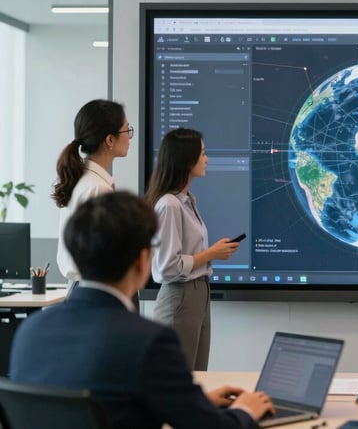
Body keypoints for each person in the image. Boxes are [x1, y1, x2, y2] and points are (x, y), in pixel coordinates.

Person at [9, 192, 274, 429]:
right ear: (142, 260)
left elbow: (107, 405)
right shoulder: (149, 341)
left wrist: (194, 402)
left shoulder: (30, 333)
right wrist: (245, 410)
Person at [145, 128, 240, 371]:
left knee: (197, 376)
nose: (207, 159)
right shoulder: (170, 205)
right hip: (181, 296)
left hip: (198, 295)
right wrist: (212, 253)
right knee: (179, 379)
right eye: (203, 154)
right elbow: (167, 268)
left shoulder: (186, 202)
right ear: (187, 160)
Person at [52, 99, 132, 287]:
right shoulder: (97, 189)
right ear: (110, 140)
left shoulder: (84, 179)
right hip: (96, 287)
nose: (129, 137)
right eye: (127, 130)